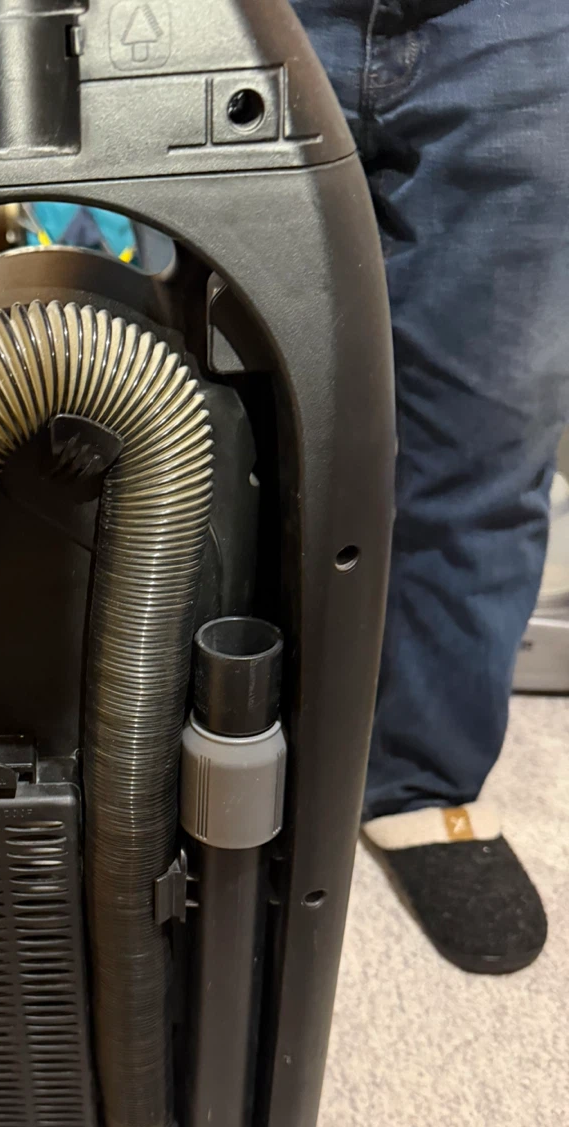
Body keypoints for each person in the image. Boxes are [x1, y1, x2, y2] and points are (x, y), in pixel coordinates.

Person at [291, 0, 569, 974]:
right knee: (208, 415)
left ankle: (421, 782)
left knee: (488, 438)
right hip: (261, 13)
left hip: (520, 23)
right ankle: (214, 734)